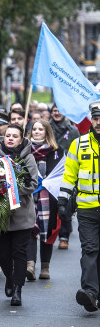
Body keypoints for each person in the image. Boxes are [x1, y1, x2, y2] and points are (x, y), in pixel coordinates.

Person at [60, 100, 100, 312]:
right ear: (91, 120)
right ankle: (90, 293)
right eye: (95, 118)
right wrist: (63, 200)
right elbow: (69, 176)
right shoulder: (79, 144)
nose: (99, 122)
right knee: (90, 249)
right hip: (86, 207)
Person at [0, 124, 38, 306]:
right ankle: (9, 277)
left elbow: (33, 183)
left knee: (19, 253)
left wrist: (12, 187)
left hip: (22, 214)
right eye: (7, 135)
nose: (10, 138)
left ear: (21, 139)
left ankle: (18, 289)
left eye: (14, 136)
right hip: (0, 213)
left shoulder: (28, 157)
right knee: (3, 256)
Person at [26, 120, 62, 281]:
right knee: (29, 228)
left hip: (48, 196)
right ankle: (30, 265)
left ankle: (45, 266)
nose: (37, 132)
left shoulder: (56, 151)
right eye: (34, 129)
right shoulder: (24, 150)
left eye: (40, 129)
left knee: (47, 230)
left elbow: (62, 174)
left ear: (47, 132)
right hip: (28, 195)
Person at [50, 104, 79, 250]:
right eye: (54, 111)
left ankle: (64, 236)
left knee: (66, 203)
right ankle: (48, 233)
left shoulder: (73, 130)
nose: (57, 113)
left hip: (67, 171)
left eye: (59, 110)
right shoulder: (46, 127)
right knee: (51, 204)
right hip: (50, 170)